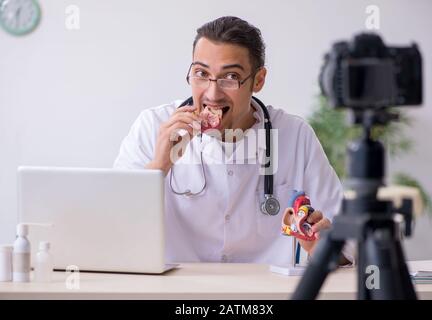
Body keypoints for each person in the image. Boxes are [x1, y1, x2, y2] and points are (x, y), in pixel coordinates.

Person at [114, 16, 353, 266]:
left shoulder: (295, 135)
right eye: (201, 73)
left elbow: (347, 248)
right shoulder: (152, 126)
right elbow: (115, 230)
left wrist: (324, 248)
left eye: (230, 77)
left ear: (258, 80)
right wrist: (159, 166)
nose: (212, 93)